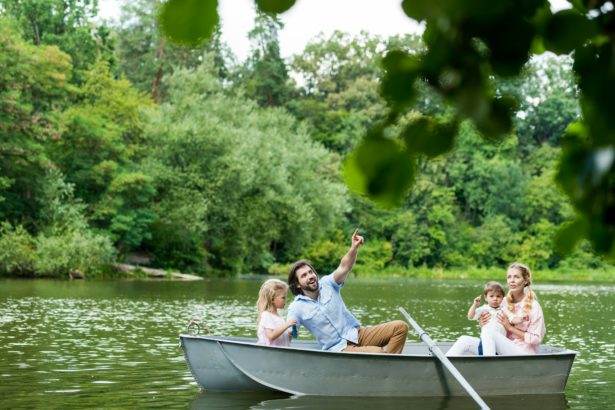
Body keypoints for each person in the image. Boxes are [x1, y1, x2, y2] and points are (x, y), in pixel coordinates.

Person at [286, 229, 409, 353]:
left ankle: (386, 363)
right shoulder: (296, 307)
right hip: (339, 348)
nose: (310, 276)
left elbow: (345, 266)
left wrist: (354, 247)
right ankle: (385, 360)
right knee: (377, 353)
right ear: (297, 285)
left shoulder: (328, 283)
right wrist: (280, 332)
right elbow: (290, 332)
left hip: (357, 334)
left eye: (310, 272)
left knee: (400, 327)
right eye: (304, 276)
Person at [447, 262, 546, 356]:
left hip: (523, 352)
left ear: (525, 280)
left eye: (516, 277)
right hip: (501, 346)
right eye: (509, 277)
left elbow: (536, 339)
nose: (512, 280)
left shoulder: (534, 306)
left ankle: (489, 365)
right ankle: (441, 367)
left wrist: (510, 328)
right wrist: (483, 323)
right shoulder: (502, 302)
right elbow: (492, 325)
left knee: (489, 333)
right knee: (464, 340)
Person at [256, 279, 295, 347]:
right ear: (272, 299)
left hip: (280, 353)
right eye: (283, 297)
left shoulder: (279, 317)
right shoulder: (266, 315)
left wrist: (289, 335)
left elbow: (282, 338)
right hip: (269, 353)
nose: (285, 300)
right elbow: (271, 336)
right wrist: (287, 325)